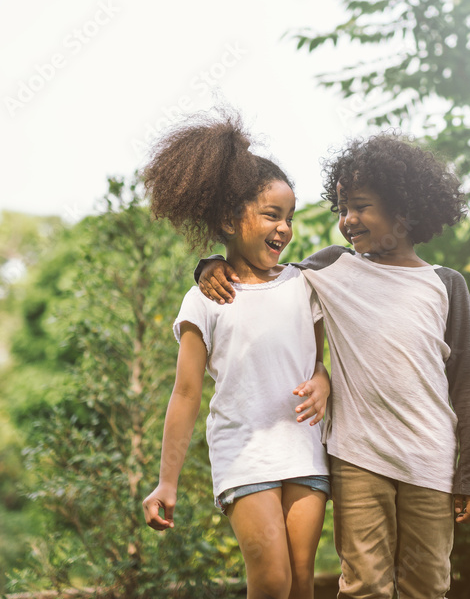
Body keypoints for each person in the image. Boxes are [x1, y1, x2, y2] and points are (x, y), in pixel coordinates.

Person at [197, 134, 470, 599]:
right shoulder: (331, 268)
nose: (347, 220)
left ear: (404, 209)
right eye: (342, 208)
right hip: (358, 460)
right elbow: (263, 272)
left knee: (427, 586)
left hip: (430, 462)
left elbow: (467, 387)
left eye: (361, 207)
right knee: (365, 585)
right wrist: (210, 264)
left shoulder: (446, 285)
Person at [139, 108, 331, 599]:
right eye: (272, 215)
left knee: (303, 581)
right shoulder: (204, 297)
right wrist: (167, 483)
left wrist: (324, 379)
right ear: (229, 219)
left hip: (304, 449)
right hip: (242, 454)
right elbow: (184, 395)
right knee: (271, 579)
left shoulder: (305, 284)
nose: (284, 228)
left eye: (289, 217)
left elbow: (320, 360)